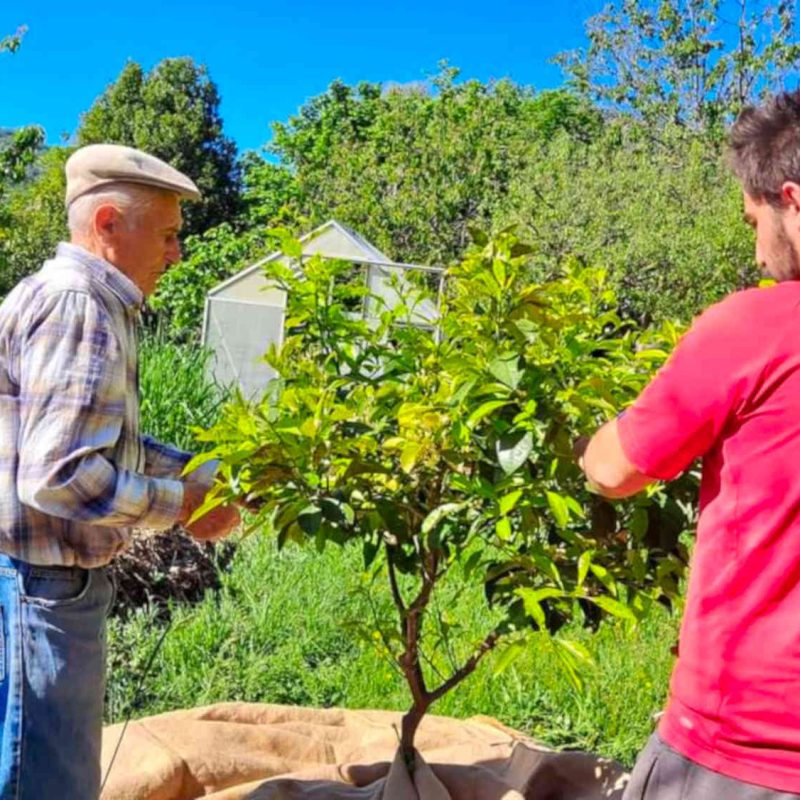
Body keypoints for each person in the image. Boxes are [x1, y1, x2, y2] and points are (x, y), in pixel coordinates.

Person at [578, 90, 800, 799]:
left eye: (753, 219)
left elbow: (613, 469)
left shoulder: (753, 327)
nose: (757, 248)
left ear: (789, 199)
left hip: (745, 749)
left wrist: (589, 438)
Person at [0, 144, 240, 799]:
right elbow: (60, 474)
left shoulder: (77, 300)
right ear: (108, 226)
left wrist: (202, 471)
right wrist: (181, 504)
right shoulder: (80, 306)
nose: (176, 254)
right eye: (166, 235)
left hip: (42, 586)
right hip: (41, 589)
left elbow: (101, 443)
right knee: (46, 784)